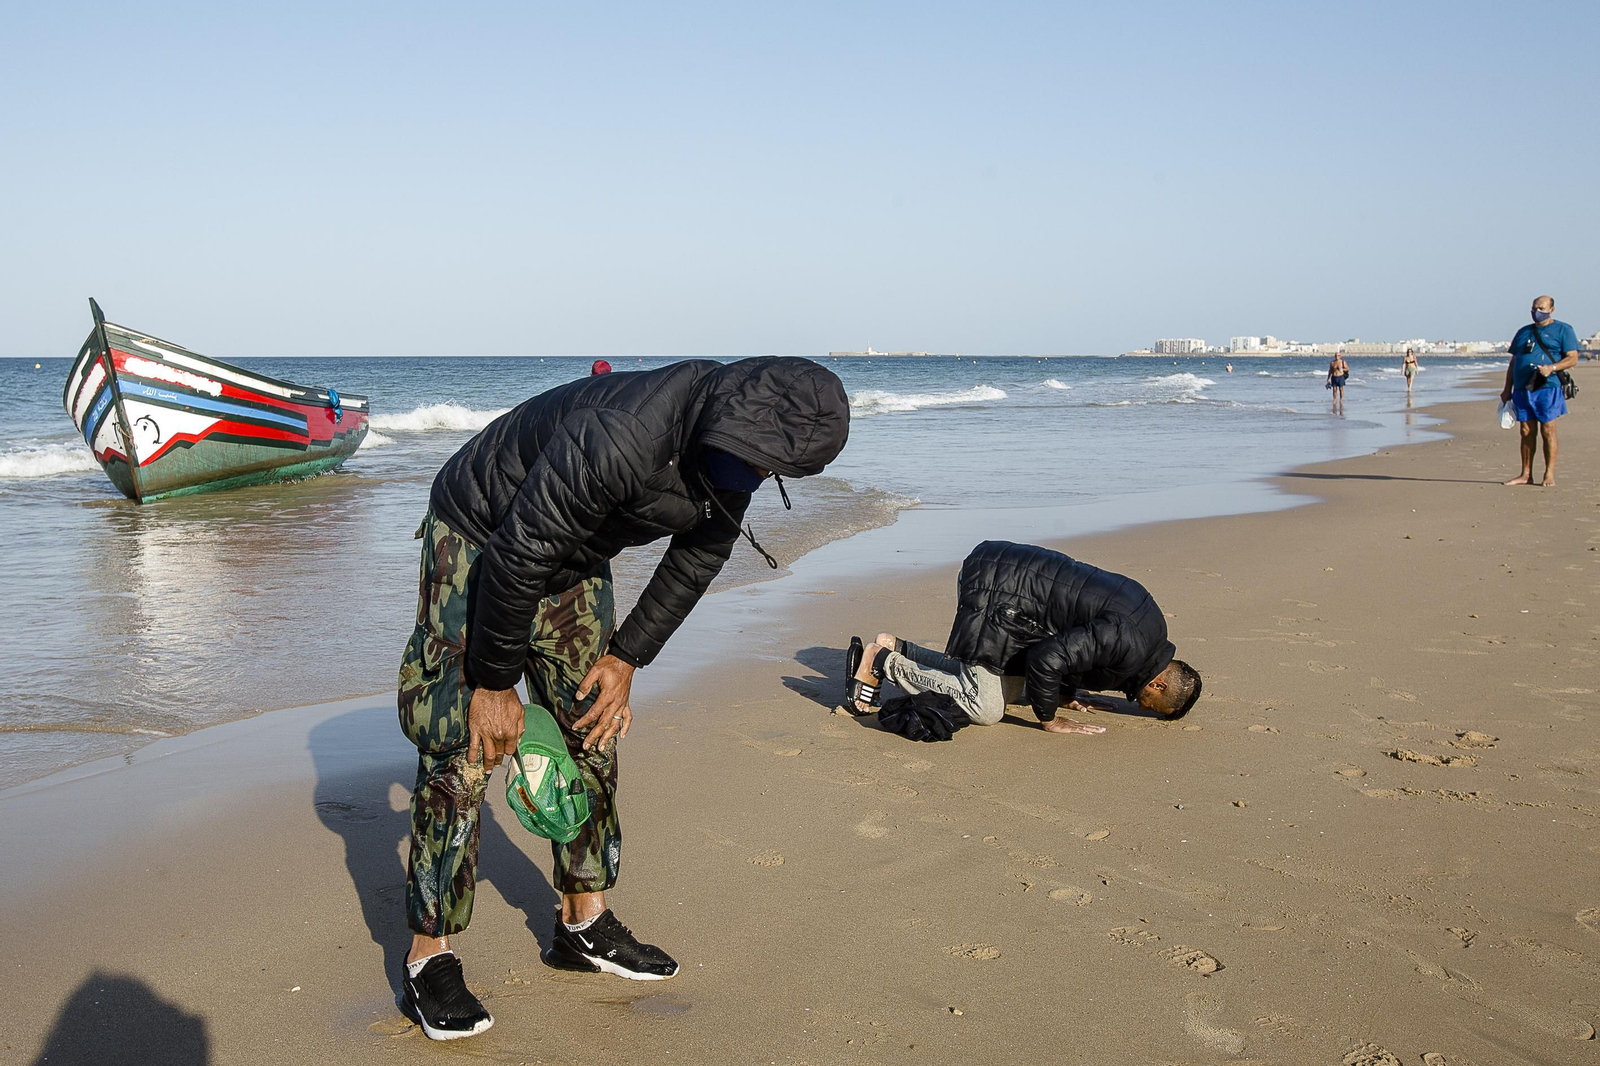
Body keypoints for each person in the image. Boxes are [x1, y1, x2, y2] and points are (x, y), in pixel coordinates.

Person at [397, 358, 849, 1039]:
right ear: (719, 416)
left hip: (570, 553)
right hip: (483, 534)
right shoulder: (623, 432)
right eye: (750, 459)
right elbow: (519, 553)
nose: (754, 475)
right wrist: (494, 684)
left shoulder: (742, 451)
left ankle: (584, 920)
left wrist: (627, 654)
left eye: (770, 468)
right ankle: (428, 954)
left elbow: (700, 554)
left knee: (593, 722)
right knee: (465, 747)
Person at [845, 541, 1201, 735]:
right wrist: (1049, 718)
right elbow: (1047, 658)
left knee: (1004, 690)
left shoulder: (1151, 630)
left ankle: (899, 648)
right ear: (1157, 684)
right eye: (1149, 705)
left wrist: (1066, 694)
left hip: (1014, 588)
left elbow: (1078, 638)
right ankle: (881, 662)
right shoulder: (1128, 644)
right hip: (999, 592)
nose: (1139, 707)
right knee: (986, 707)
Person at [1501, 295, 1579, 488]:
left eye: (1541, 308)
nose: (1537, 312)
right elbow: (1514, 362)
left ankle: (1549, 473)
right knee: (1526, 430)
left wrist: (1551, 368)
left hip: (1547, 387)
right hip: (1522, 388)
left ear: (1551, 310)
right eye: (1534, 308)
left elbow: (1572, 358)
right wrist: (1506, 389)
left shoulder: (1563, 330)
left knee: (1548, 429)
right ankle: (1526, 474)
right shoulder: (1523, 332)